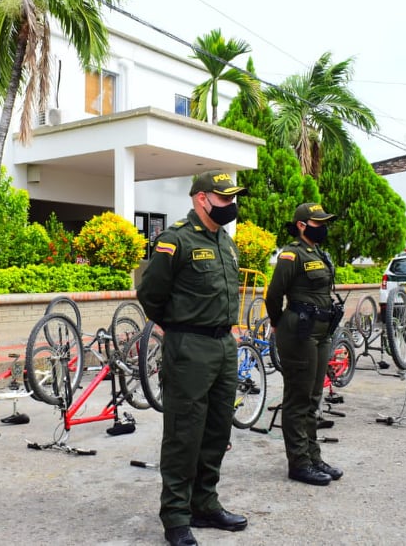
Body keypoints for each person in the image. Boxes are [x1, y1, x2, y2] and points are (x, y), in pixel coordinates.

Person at [137, 170, 249, 546]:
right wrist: (177, 327)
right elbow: (151, 294)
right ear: (201, 198)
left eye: (233, 198)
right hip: (190, 347)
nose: (230, 205)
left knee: (217, 430)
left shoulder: (226, 244)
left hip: (224, 346)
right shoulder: (176, 241)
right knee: (184, 434)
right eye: (223, 198)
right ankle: (176, 518)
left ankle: (205, 504)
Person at [265, 203, 343, 486]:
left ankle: (313, 456)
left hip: (321, 331)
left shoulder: (318, 253)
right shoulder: (291, 254)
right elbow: (273, 295)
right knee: (298, 399)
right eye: (317, 222)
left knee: (313, 397)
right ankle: (298, 463)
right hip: (299, 331)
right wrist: (277, 322)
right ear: (301, 224)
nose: (322, 226)